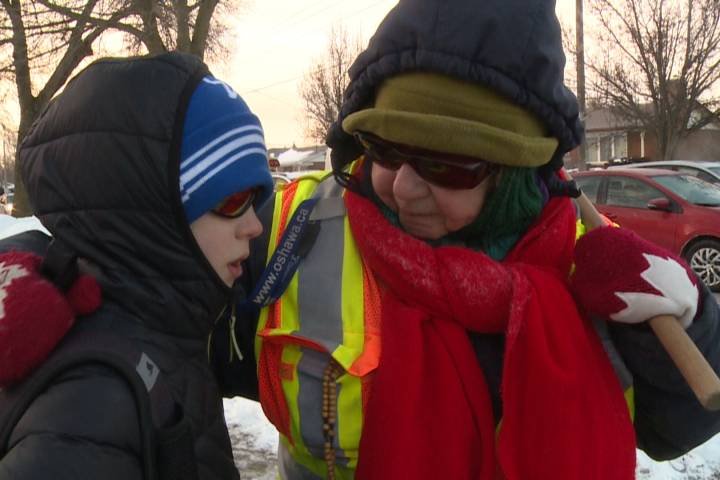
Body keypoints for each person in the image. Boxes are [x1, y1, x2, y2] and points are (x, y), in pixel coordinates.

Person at [213, 0, 720, 478]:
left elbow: (678, 427)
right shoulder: (285, 233)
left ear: (515, 172)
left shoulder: (594, 269)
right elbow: (167, 366)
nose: (403, 186)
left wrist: (694, 322)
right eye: (384, 150)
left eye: (444, 165)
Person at [0, 52, 273, 479]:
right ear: (157, 211)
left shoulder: (152, 327)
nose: (254, 226)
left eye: (255, 198)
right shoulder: (92, 406)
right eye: (233, 201)